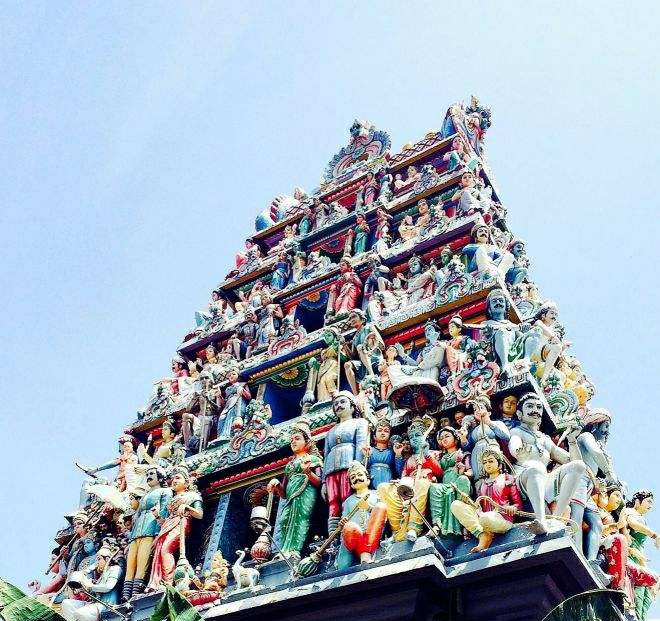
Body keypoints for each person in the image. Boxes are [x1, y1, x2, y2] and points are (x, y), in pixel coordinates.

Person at [508, 392, 586, 535]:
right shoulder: (517, 431)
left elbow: (572, 460)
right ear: (519, 414)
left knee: (578, 466)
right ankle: (541, 521)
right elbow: (514, 446)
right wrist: (519, 451)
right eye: (530, 406)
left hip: (543, 480)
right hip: (524, 479)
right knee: (536, 467)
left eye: (538, 407)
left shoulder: (544, 439)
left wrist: (572, 440)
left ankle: (556, 518)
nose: (535, 410)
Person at [268, 419, 323, 559]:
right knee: (284, 519)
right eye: (291, 440)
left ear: (307, 442)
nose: (293, 442)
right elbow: (284, 494)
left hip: (306, 492)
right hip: (291, 496)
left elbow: (319, 482)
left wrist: (308, 472)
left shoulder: (313, 459)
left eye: (297, 438)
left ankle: (294, 551)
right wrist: (277, 484)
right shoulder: (289, 465)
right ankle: (284, 551)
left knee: (300, 519)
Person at [450, 449, 523, 553]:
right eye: (485, 462)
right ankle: (483, 535)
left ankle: (484, 533)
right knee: (456, 505)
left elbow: (518, 504)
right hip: (483, 518)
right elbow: (479, 506)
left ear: (499, 464)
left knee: (484, 519)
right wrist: (472, 506)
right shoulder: (483, 483)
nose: (487, 464)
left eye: (491, 461)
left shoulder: (507, 478)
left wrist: (512, 508)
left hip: (501, 518)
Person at [147, 467, 203, 590]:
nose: (174, 481)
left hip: (182, 522)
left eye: (178, 478)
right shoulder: (171, 500)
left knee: (166, 549)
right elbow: (166, 522)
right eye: (173, 479)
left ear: (186, 483)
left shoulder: (192, 495)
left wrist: (187, 507)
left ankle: (168, 582)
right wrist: (157, 516)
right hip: (169, 525)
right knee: (159, 550)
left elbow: (199, 514)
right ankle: (159, 583)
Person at [322, 392, 370, 534]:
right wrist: (324, 481)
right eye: (336, 404)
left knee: (347, 498)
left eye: (343, 402)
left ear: (352, 406)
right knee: (333, 502)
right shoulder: (330, 432)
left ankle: (349, 532)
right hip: (330, 469)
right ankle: (333, 535)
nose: (339, 406)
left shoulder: (360, 423)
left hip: (349, 467)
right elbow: (326, 455)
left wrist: (357, 467)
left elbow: (361, 445)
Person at [122, 466, 172, 600]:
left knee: (142, 563)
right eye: (148, 474)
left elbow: (164, 512)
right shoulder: (145, 495)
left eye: (152, 474)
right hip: (136, 533)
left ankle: (135, 593)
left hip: (150, 530)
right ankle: (125, 594)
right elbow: (137, 515)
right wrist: (130, 538)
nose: (148, 476)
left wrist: (157, 534)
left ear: (160, 477)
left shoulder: (165, 491)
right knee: (130, 564)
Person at [335, 461, 387, 570]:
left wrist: (368, 507)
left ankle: (364, 553)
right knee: (349, 527)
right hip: (354, 535)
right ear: (351, 484)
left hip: (372, 534)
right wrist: (343, 524)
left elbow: (384, 517)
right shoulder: (348, 501)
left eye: (360, 475)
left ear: (368, 479)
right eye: (353, 477)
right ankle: (362, 554)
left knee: (381, 507)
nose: (357, 478)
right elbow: (345, 521)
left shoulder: (376, 495)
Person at [61, 542, 122, 621]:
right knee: (67, 603)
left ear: (107, 559)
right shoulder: (100, 577)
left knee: (80, 613)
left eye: (99, 559)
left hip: (107, 605)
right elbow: (94, 593)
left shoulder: (115, 569)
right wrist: (82, 588)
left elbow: (108, 587)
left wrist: (90, 586)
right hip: (94, 604)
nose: (97, 562)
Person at [362, 420, 405, 488]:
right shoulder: (369, 450)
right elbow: (363, 470)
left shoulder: (392, 452)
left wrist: (398, 454)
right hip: (371, 483)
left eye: (386, 431)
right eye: (380, 430)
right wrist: (366, 456)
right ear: (374, 436)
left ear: (390, 436)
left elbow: (399, 473)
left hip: (387, 484)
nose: (382, 433)